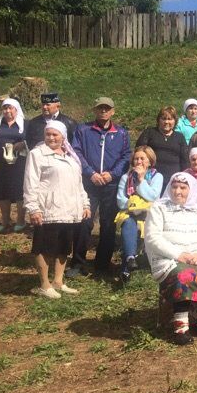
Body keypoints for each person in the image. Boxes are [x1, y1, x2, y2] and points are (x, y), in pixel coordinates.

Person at [144, 173, 197, 344]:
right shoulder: (159, 207)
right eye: (174, 187)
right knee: (183, 274)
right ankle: (181, 327)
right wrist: (178, 255)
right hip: (169, 257)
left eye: (183, 187)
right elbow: (152, 237)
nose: (178, 191)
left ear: (191, 190)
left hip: (196, 256)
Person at [23, 120, 90, 299]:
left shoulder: (71, 156)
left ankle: (58, 281)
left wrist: (85, 203)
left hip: (69, 210)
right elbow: (30, 182)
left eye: (55, 134)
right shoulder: (38, 154)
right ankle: (44, 284)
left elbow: (78, 183)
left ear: (63, 137)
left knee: (64, 247)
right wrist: (33, 208)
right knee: (43, 247)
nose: (51, 138)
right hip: (48, 209)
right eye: (48, 134)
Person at [71, 97, 132, 276]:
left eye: (107, 108)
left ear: (113, 111)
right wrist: (90, 173)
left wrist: (112, 174)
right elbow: (76, 152)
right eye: (100, 108)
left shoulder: (121, 133)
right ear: (95, 110)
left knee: (108, 223)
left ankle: (102, 263)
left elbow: (126, 155)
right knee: (84, 222)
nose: (103, 111)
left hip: (111, 184)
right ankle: (78, 262)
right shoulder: (83, 130)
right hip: (89, 183)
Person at [115, 146, 164, 283]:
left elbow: (153, 196)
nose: (139, 161)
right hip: (129, 213)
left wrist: (141, 180)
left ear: (150, 161)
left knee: (139, 224)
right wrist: (134, 206)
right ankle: (130, 259)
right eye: (136, 158)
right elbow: (120, 200)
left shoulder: (157, 176)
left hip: (149, 214)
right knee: (129, 223)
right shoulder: (126, 177)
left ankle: (126, 269)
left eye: (143, 158)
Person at [0, 98, 28, 232]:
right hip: (0, 164)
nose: (7, 111)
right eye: (5, 108)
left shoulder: (25, 124)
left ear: (16, 109)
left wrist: (23, 145)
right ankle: (5, 220)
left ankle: (21, 220)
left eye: (10, 108)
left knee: (20, 191)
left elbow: (31, 141)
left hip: (20, 164)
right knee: (2, 192)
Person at [137, 106, 189, 186]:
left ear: (175, 121)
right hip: (151, 177)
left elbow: (185, 161)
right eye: (164, 119)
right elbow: (139, 152)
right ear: (158, 120)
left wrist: (184, 178)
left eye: (170, 119)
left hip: (174, 180)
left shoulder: (180, 137)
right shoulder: (149, 133)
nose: (166, 122)